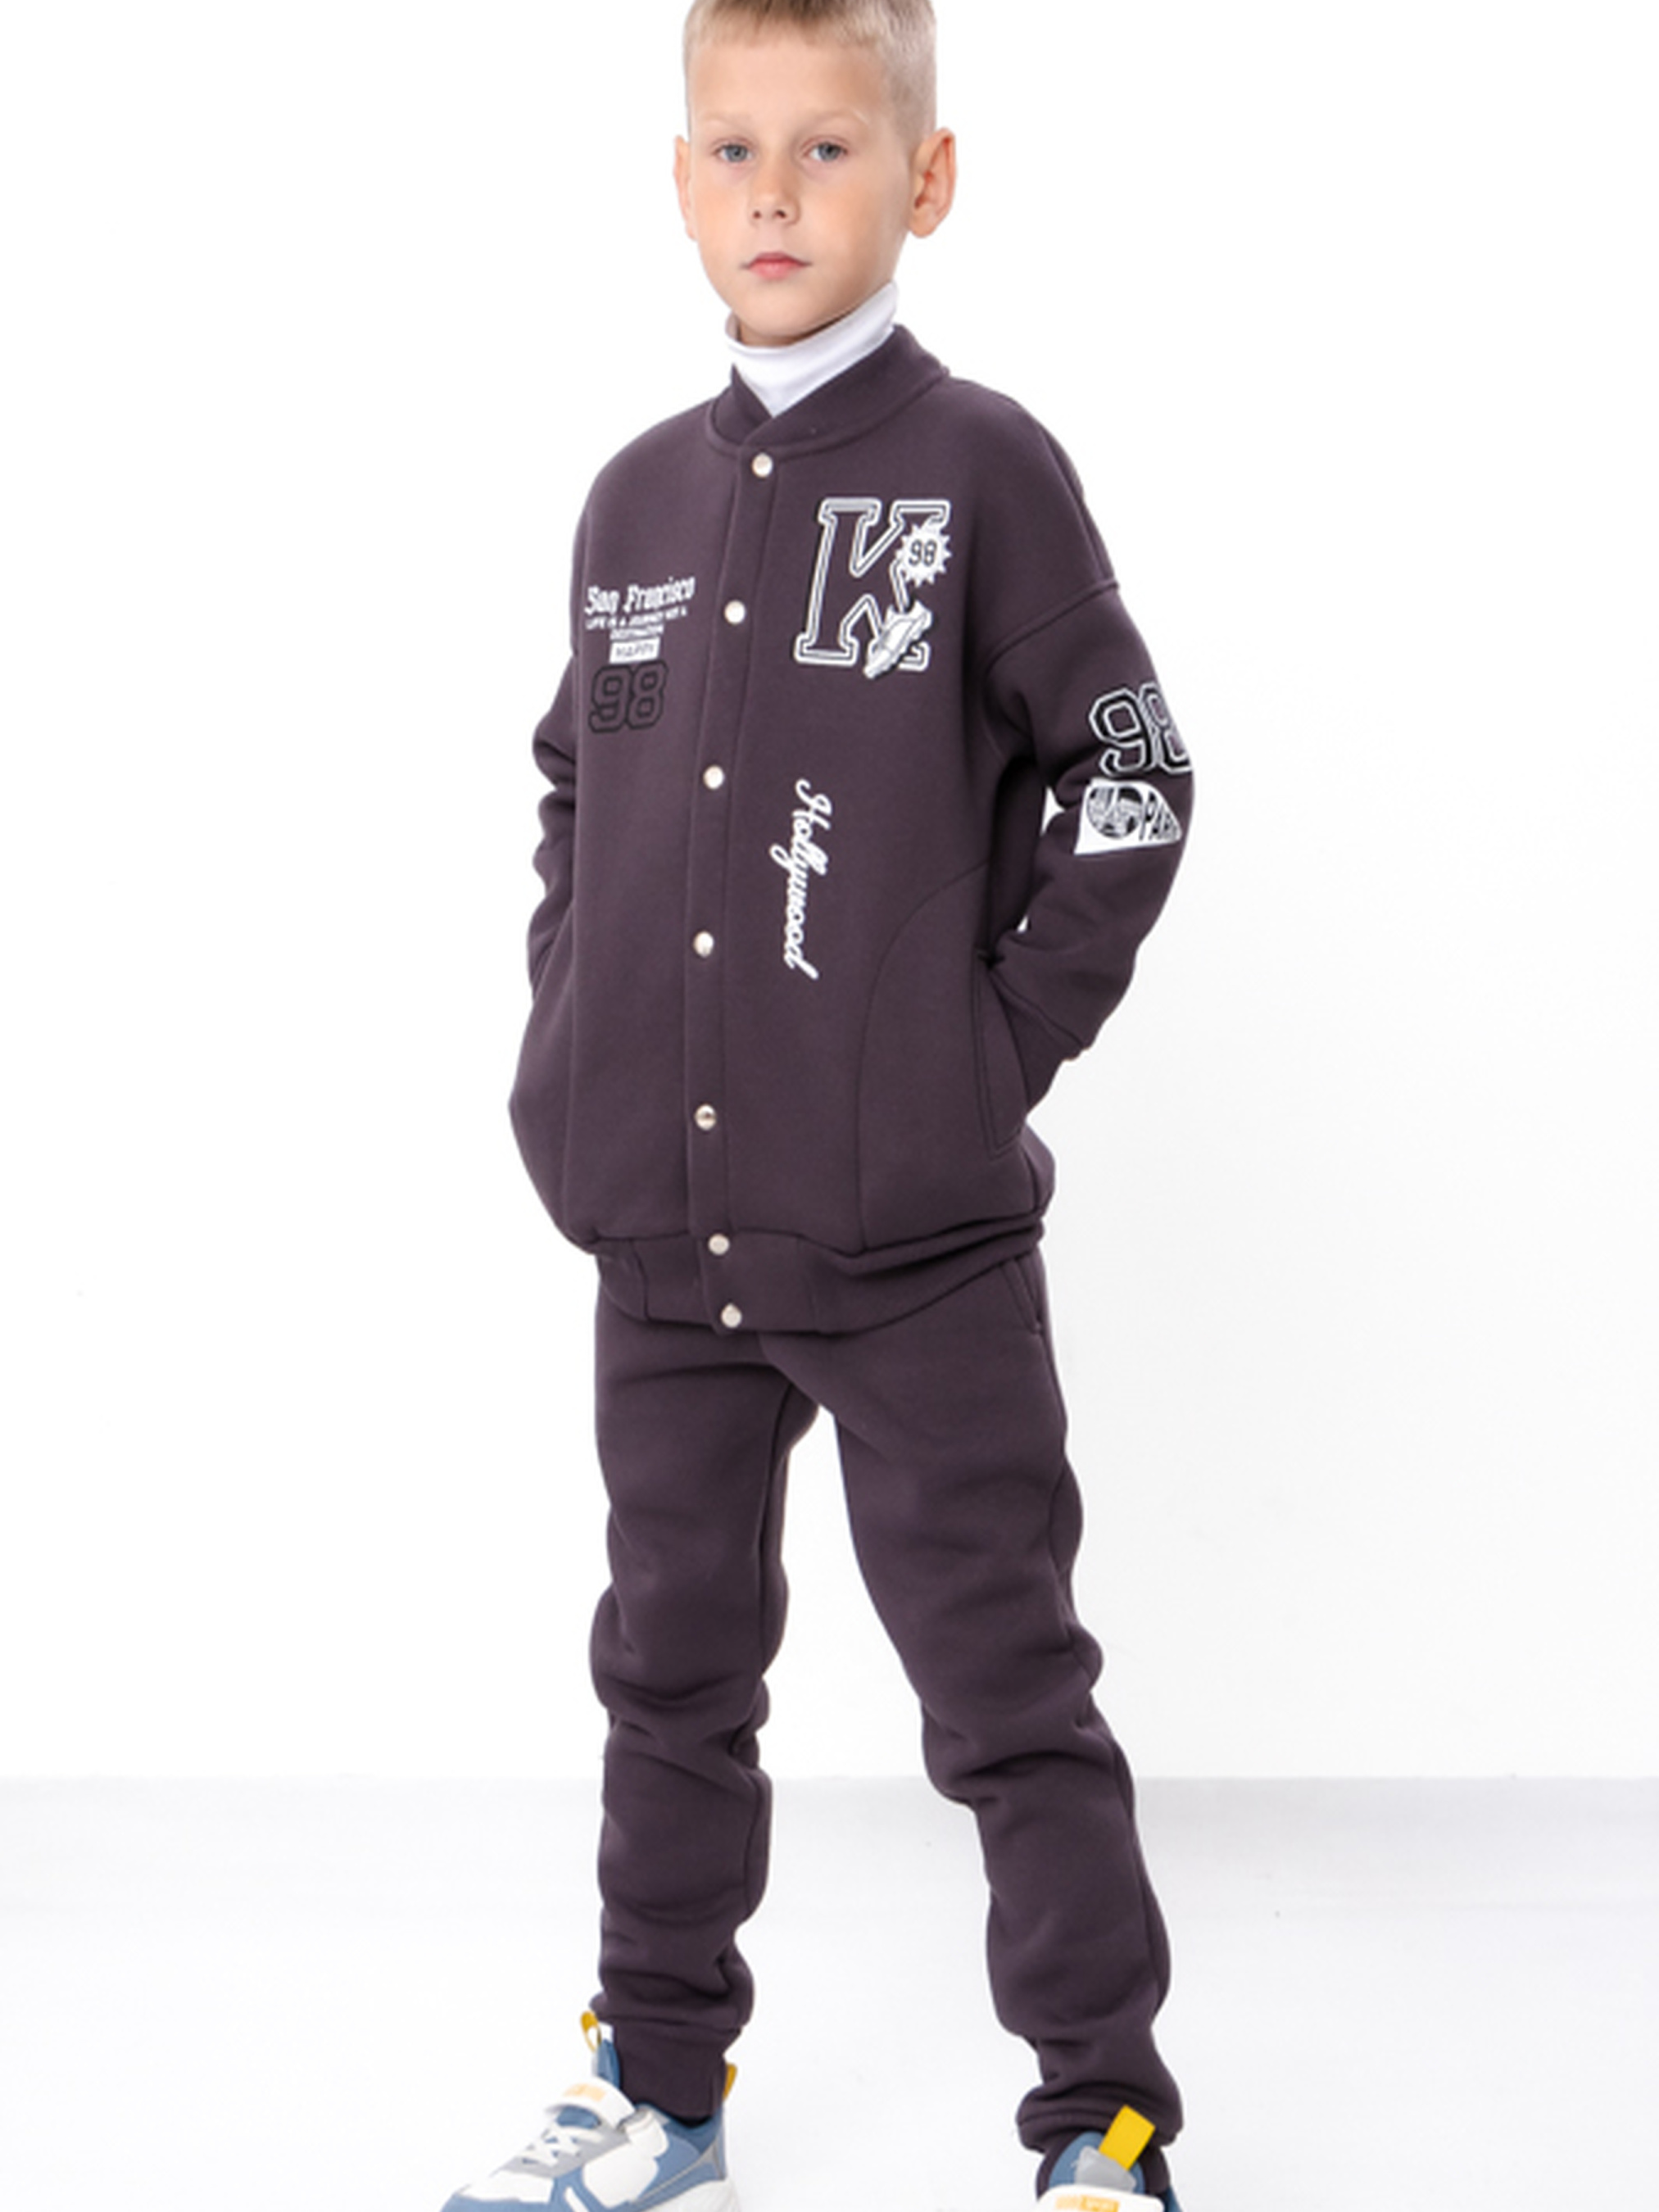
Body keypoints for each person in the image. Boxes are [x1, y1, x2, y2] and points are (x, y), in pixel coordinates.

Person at [443, 2, 1194, 2206]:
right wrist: (573, 1036)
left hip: (914, 1247)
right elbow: (576, 780)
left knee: (1006, 1690)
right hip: (660, 1245)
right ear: (679, 182)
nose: (774, 191)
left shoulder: (980, 473)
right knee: (668, 1676)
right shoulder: (635, 502)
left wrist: (983, 1051)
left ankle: (1103, 2119)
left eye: (829, 148)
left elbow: (1133, 773)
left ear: (923, 180)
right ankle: (659, 2092)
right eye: (731, 148)